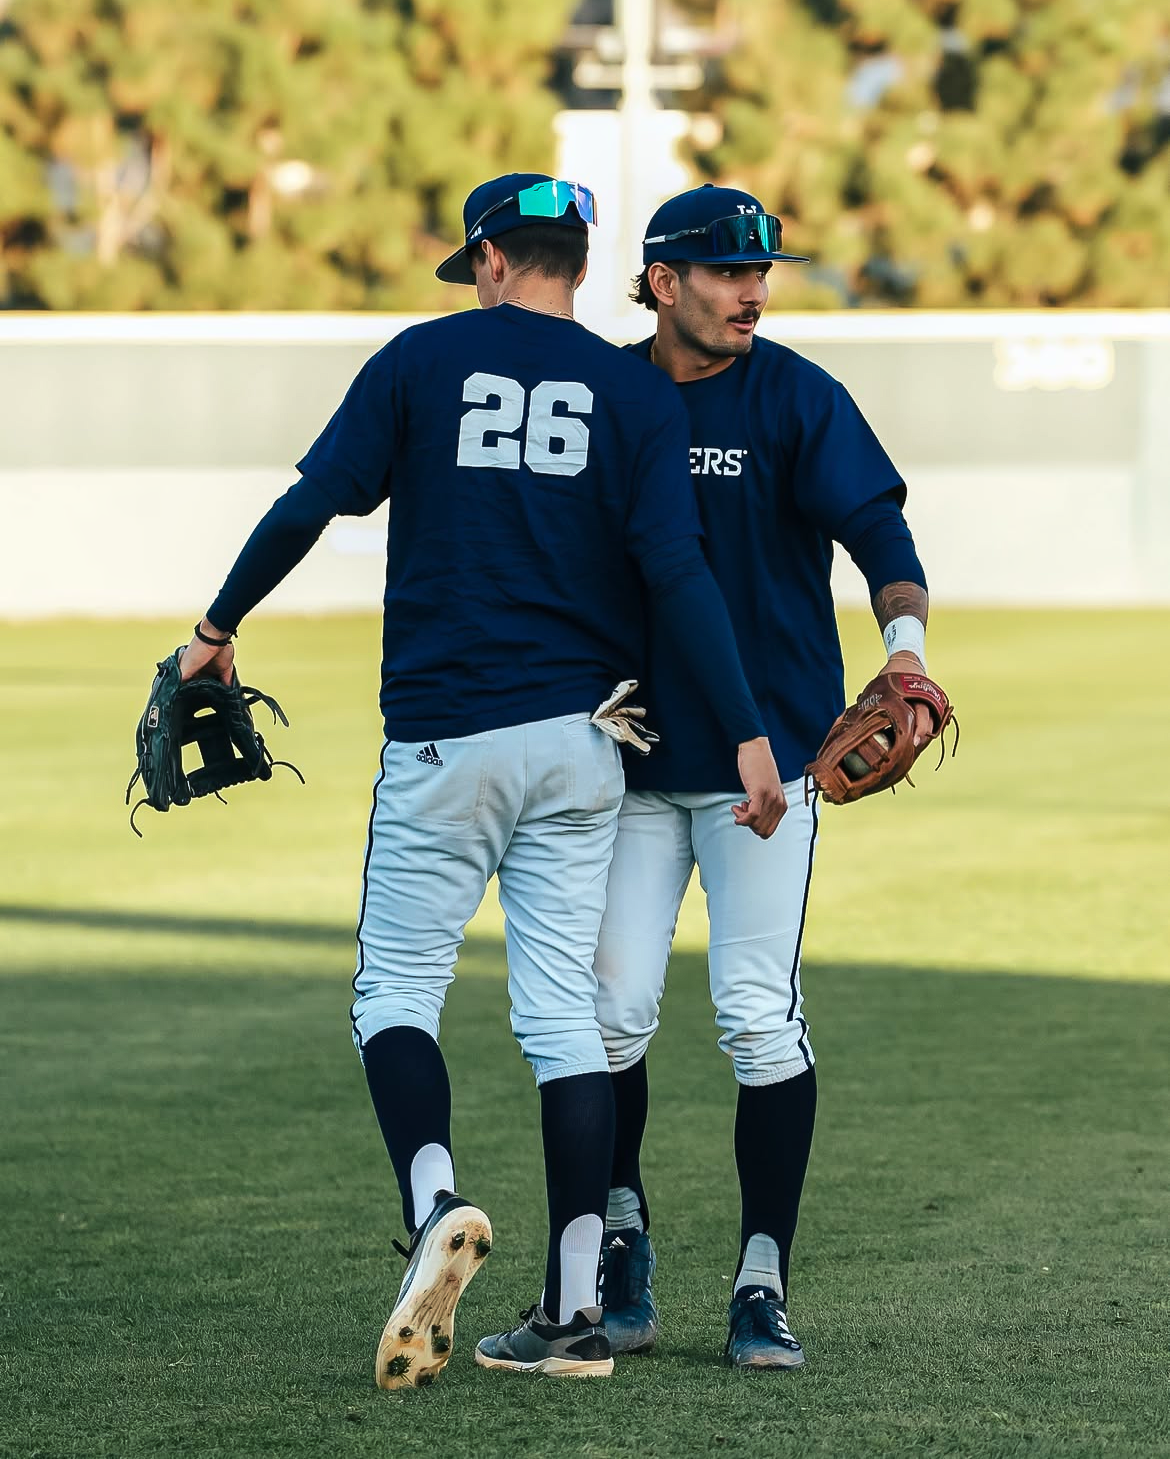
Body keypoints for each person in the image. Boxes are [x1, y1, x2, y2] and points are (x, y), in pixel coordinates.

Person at [177, 173, 785, 1390]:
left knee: (396, 990)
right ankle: (572, 1314)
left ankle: (435, 1202)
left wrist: (216, 624)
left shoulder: (421, 359)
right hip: (584, 741)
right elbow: (677, 572)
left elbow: (312, 504)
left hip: (448, 735)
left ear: (494, 259)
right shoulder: (633, 390)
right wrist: (748, 733)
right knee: (563, 1016)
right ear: (582, 262)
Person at [594, 184, 942, 1370]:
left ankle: (761, 1278)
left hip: (773, 768)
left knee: (756, 1013)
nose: (753, 290)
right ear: (663, 281)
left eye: (761, 271)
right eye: (728, 270)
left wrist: (906, 650)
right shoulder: (607, 392)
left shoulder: (796, 394)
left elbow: (881, 534)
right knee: (608, 1012)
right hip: (633, 762)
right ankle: (622, 1235)